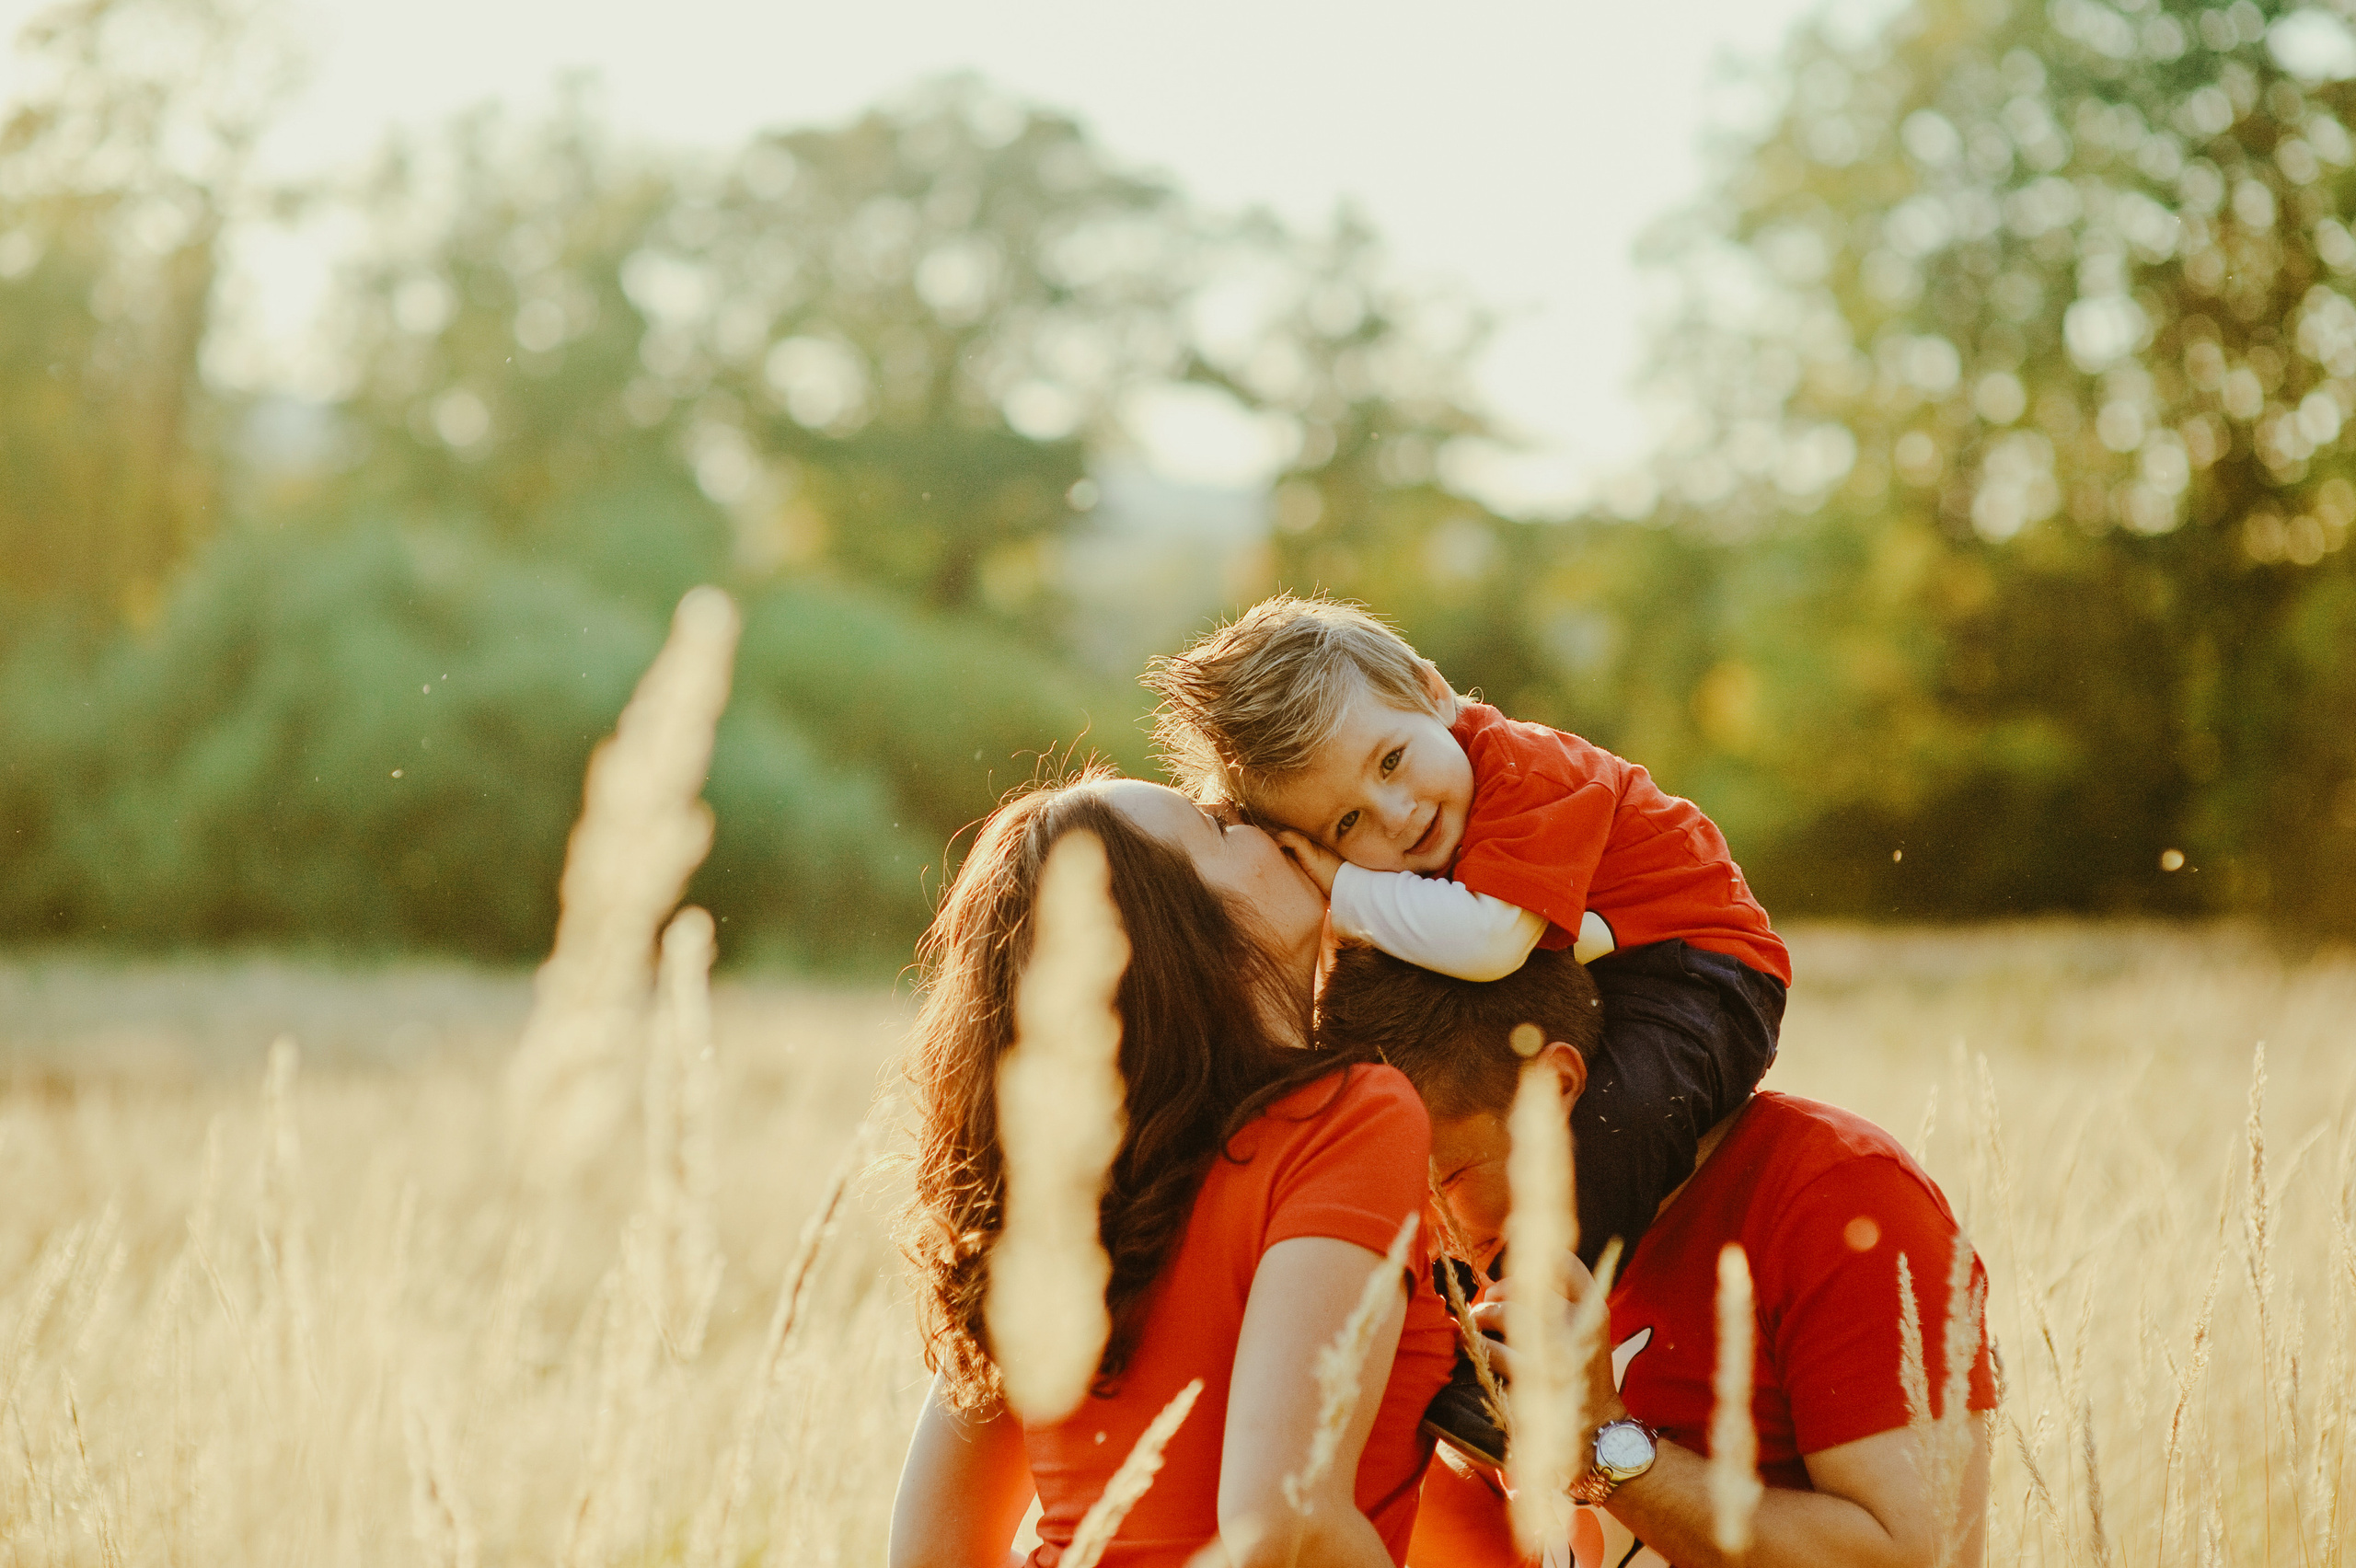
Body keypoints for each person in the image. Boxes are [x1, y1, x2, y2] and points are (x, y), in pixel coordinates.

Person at [889, 770, 1459, 1568]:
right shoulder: (1348, 1119)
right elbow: (1282, 1522)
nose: (1253, 819)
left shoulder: (1063, 1197)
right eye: (1217, 829)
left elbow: (929, 1553)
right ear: (1186, 939)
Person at [1144, 595, 1787, 1268]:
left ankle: (1539, 1306)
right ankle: (1460, 1295)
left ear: (1432, 691)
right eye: (1345, 825)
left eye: (1390, 761)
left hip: (1701, 973)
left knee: (1610, 1129)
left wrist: (1346, 883)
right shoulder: (1430, 822)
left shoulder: (1529, 772)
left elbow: (1489, 943)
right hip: (1591, 979)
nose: (1395, 814)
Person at [1318, 946, 1995, 1568]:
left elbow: (1916, 1558)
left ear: (1551, 1088)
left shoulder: (1842, 1200)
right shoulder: (1472, 1257)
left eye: (1449, 1180)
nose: (1433, 1233)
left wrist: (1600, 1440)